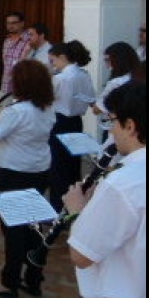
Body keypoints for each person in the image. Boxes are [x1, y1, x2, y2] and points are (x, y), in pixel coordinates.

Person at [61, 81, 146, 298]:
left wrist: (77, 211)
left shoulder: (123, 183)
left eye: (112, 121)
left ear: (130, 125)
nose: (111, 130)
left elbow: (82, 255)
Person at [0, 59, 56, 298]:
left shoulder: (16, 111)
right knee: (33, 225)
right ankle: (34, 278)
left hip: (15, 171)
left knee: (13, 228)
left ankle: (10, 281)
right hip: (39, 170)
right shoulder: (46, 108)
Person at [47, 40, 96, 212]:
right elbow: (91, 99)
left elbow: (47, 99)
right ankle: (74, 206)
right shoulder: (83, 75)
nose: (53, 65)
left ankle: (57, 207)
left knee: (58, 167)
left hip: (59, 122)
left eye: (53, 61)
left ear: (62, 57)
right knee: (73, 166)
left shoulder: (61, 78)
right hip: (76, 122)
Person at [0, 11, 31, 96]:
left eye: (14, 23)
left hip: (22, 88)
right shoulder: (7, 41)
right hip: (5, 87)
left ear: (22, 23)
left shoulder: (30, 40)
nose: (10, 26)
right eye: (8, 23)